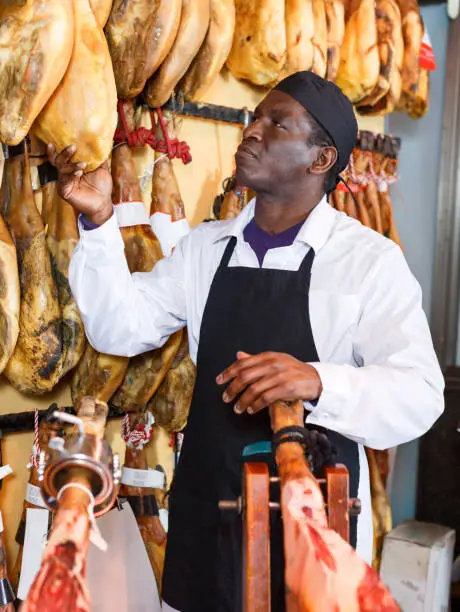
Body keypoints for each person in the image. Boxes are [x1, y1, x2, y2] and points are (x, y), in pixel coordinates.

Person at [48, 71, 444, 612]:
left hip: (312, 522)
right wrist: (96, 222)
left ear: (321, 160)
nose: (251, 130)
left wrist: (317, 379)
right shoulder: (205, 249)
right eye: (254, 117)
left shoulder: (367, 262)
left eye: (276, 123)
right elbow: (120, 326)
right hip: (205, 512)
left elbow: (421, 394)